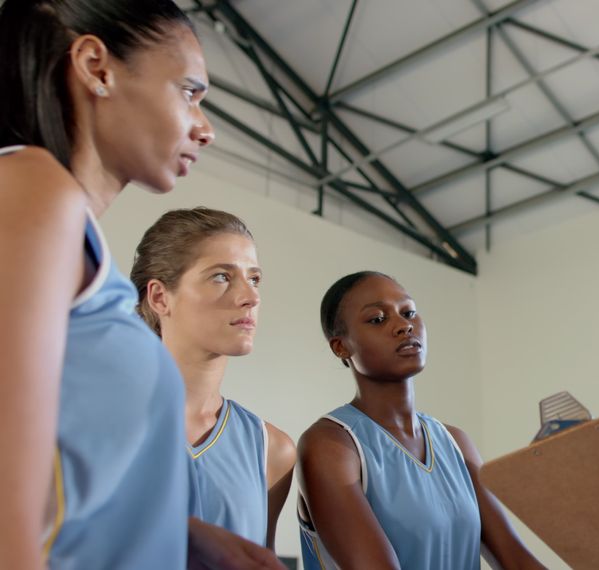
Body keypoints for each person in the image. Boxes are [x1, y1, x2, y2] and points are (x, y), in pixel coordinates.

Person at [0, 1, 280, 567]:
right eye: (189, 92)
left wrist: (184, 536)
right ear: (97, 66)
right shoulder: (33, 188)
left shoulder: (73, 238)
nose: (207, 128)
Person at [296, 271, 545, 569]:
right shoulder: (330, 445)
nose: (404, 326)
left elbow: (516, 560)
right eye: (377, 319)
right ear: (341, 347)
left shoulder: (455, 442)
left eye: (409, 312)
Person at [131, 207, 297, 549]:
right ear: (160, 297)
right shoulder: (89, 419)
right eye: (222, 276)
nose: (250, 297)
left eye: (254, 278)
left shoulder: (273, 450)